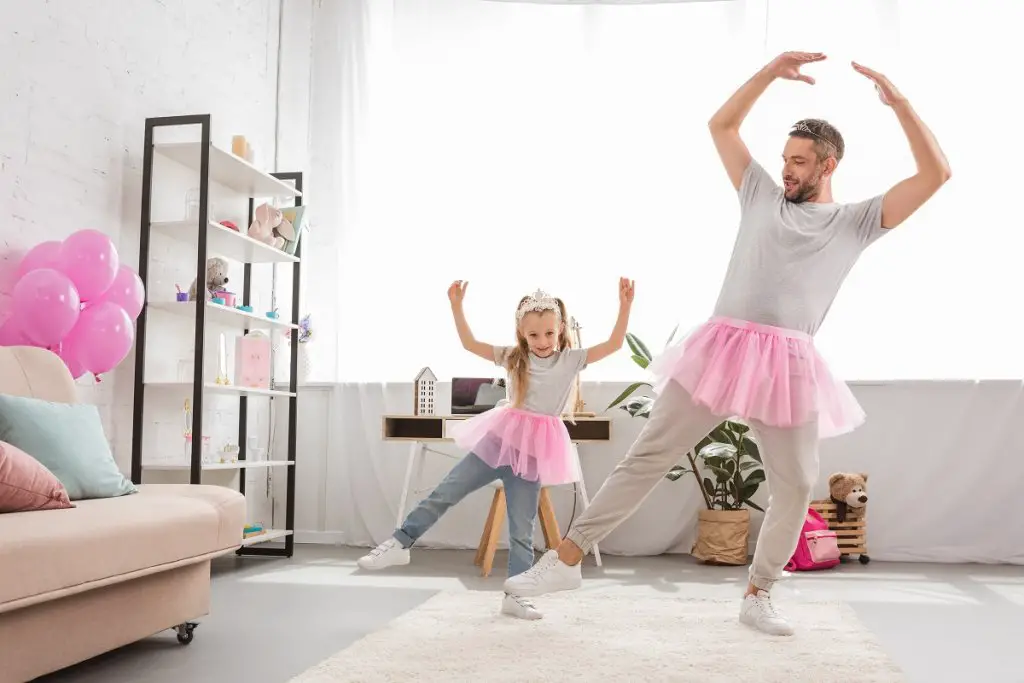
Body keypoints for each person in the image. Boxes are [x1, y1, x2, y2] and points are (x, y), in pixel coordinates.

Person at [504, 51, 951, 635]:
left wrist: (901, 106)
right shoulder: (761, 194)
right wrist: (769, 72)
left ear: (828, 164)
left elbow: (936, 174)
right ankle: (564, 561)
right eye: (784, 158)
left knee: (794, 481)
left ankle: (759, 593)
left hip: (788, 361)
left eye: (798, 162)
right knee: (649, 455)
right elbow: (721, 126)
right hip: (721, 349)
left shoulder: (857, 222)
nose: (786, 169)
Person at [357, 277, 635, 620]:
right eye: (534, 335)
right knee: (447, 490)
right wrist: (457, 307)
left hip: (533, 452)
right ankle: (401, 542)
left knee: (523, 527)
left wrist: (624, 307)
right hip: (499, 441)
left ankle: (515, 596)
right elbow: (470, 343)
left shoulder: (571, 360)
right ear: (522, 333)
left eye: (549, 333)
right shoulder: (514, 357)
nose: (543, 341)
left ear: (561, 329)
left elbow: (614, 344)